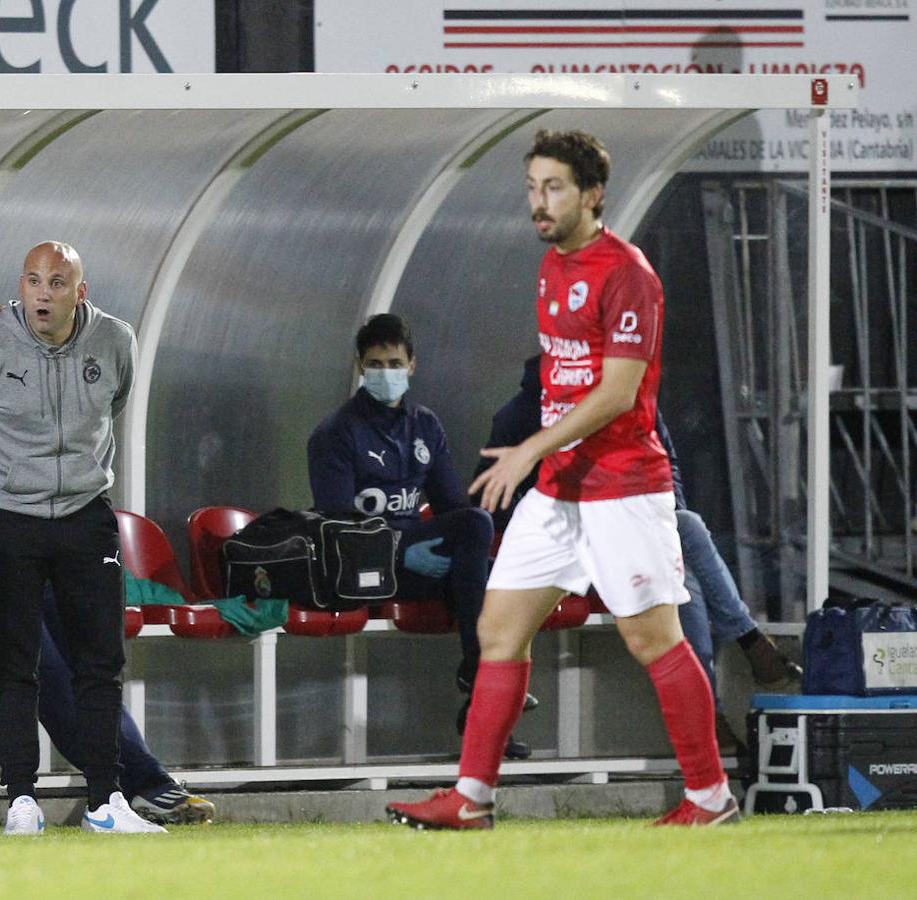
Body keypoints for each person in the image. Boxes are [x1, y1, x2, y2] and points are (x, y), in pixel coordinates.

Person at [388, 130, 737, 830]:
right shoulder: (551, 267)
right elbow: (563, 380)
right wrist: (538, 459)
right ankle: (472, 799)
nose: (538, 203)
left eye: (552, 188)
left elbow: (615, 393)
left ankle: (710, 797)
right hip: (559, 488)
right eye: (531, 188)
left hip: (623, 485)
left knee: (652, 639)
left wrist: (524, 452)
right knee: (498, 628)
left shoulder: (628, 272)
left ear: (592, 193)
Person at [0, 302, 214, 830]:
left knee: (92, 662)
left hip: (41, 570)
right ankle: (130, 788)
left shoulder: (31, 421)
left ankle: (133, 787)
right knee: (44, 667)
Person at [0, 241, 164, 835]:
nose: (43, 292)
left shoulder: (115, 341)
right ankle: (21, 801)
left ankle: (106, 802)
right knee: (16, 662)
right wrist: (10, 477)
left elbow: (115, 401)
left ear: (79, 292)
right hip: (5, 516)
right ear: (21, 285)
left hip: (85, 513)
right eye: (34, 280)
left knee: (100, 662)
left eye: (58, 283)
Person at [478, 355, 802, 755]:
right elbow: (489, 500)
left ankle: (712, 716)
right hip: (564, 551)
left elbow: (667, 466)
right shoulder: (521, 414)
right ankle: (748, 646)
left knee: (683, 567)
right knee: (689, 534)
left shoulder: (628, 398)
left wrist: (658, 520)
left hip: (632, 534)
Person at [307, 313, 532, 760]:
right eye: (375, 364)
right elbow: (337, 524)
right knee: (478, 555)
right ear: (359, 367)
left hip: (422, 560)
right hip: (367, 566)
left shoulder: (425, 425)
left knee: (501, 580)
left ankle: (482, 693)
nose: (384, 373)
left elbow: (453, 507)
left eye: (393, 363)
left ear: (412, 365)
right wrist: (401, 553)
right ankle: (484, 693)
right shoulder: (335, 434)